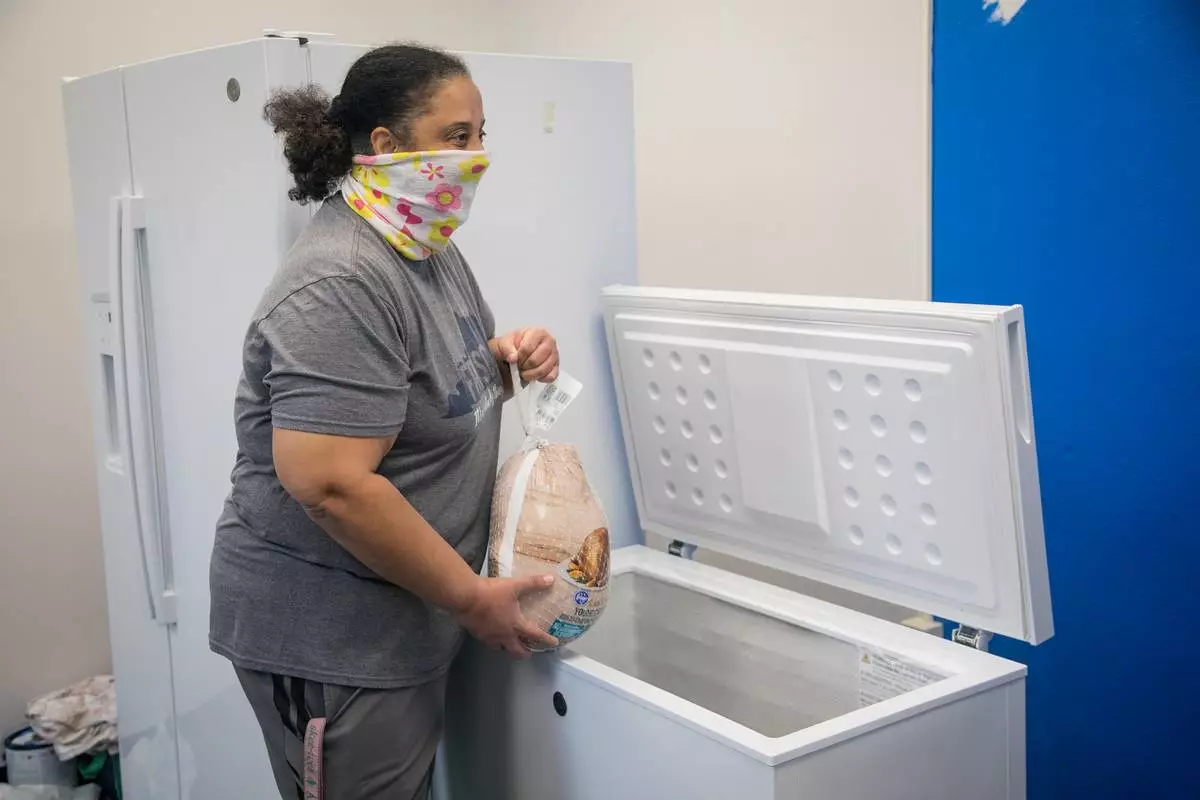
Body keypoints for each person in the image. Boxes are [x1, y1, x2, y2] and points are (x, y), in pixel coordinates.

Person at [208, 43, 560, 800]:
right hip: (332, 637)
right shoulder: (341, 278)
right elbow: (330, 484)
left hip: (405, 618)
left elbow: (424, 387)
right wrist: (471, 600)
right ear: (386, 148)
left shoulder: (425, 248)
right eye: (457, 136)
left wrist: (508, 360)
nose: (478, 158)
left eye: (481, 135)